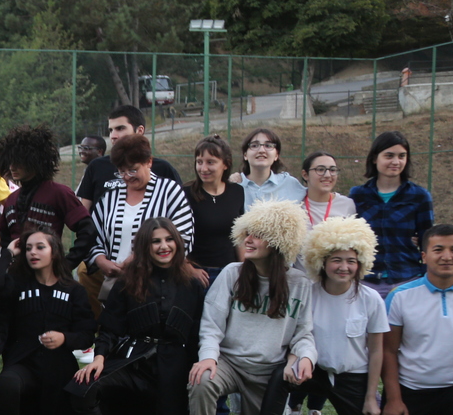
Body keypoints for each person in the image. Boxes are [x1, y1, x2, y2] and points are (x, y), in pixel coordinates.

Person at [186, 201, 315, 415]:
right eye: (247, 233)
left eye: (258, 235)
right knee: (202, 379)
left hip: (267, 373)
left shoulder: (300, 283)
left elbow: (304, 333)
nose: (249, 239)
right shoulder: (232, 273)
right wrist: (208, 357)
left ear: (279, 242)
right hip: (229, 363)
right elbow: (211, 325)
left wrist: (305, 357)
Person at [246, 217, 385, 415]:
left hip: (352, 378)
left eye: (351, 261)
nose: (344, 267)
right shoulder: (308, 292)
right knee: (279, 376)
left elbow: (376, 351)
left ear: (361, 263)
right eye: (336, 260)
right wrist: (293, 361)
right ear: (321, 261)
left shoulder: (371, 298)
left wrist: (370, 397)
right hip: (313, 370)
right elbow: (296, 334)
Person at [69, 219, 205, 415]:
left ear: (178, 243)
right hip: (135, 363)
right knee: (84, 387)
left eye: (169, 239)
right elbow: (110, 328)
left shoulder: (193, 283)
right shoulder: (128, 281)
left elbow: (199, 333)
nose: (164, 246)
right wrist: (99, 358)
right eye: (155, 241)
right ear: (145, 246)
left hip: (173, 370)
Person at [0, 228, 98, 415]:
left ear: (54, 252)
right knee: (6, 383)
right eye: (28, 248)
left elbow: (87, 333)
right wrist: (8, 253)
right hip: (23, 363)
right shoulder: (16, 284)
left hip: (58, 370)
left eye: (40, 247)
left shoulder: (74, 290)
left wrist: (65, 338)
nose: (32, 253)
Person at [377, 225, 453, 415]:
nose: (447, 256)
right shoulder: (401, 296)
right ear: (424, 256)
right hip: (411, 390)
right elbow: (389, 351)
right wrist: (394, 399)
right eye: (438, 249)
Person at [283, 151, 358, 415]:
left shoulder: (346, 205)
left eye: (333, 169)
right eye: (320, 169)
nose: (328, 175)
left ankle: (316, 408)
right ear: (305, 174)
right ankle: (294, 405)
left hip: (331, 289)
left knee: (327, 344)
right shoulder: (294, 205)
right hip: (300, 287)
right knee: (299, 344)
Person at [86, 134, 196, 310]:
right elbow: (92, 234)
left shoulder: (169, 191)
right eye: (122, 171)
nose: (127, 177)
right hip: (117, 287)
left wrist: (139, 257)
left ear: (149, 162)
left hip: (159, 287)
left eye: (133, 170)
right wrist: (101, 260)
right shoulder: (110, 197)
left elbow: (183, 235)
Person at [0, 124, 94, 262]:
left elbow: (87, 230)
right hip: (15, 273)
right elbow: (5, 240)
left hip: (48, 272)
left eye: (18, 162)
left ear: (35, 160)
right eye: (10, 161)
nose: (12, 167)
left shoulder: (58, 193)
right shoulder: (12, 198)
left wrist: (67, 264)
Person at [350, 131, 436, 297]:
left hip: (407, 279)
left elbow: (428, 241)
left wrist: (425, 276)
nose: (396, 162)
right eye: (389, 156)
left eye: (402, 156)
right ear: (375, 158)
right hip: (366, 281)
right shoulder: (358, 195)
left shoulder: (419, 196)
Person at [76, 106, 183, 211]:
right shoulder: (97, 166)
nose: (113, 136)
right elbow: (83, 213)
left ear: (139, 131)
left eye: (120, 128)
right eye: (111, 130)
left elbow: (180, 208)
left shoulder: (163, 169)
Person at [184, 135, 245, 281]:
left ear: (225, 164)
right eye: (199, 162)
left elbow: (240, 236)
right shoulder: (185, 194)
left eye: (210, 162)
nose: (203, 168)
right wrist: (189, 268)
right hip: (199, 275)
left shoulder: (237, 192)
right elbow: (175, 237)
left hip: (230, 273)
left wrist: (244, 268)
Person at [238, 129, 306, 209]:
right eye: (254, 146)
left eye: (268, 146)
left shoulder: (289, 183)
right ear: (245, 155)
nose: (261, 150)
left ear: (276, 155)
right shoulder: (235, 185)